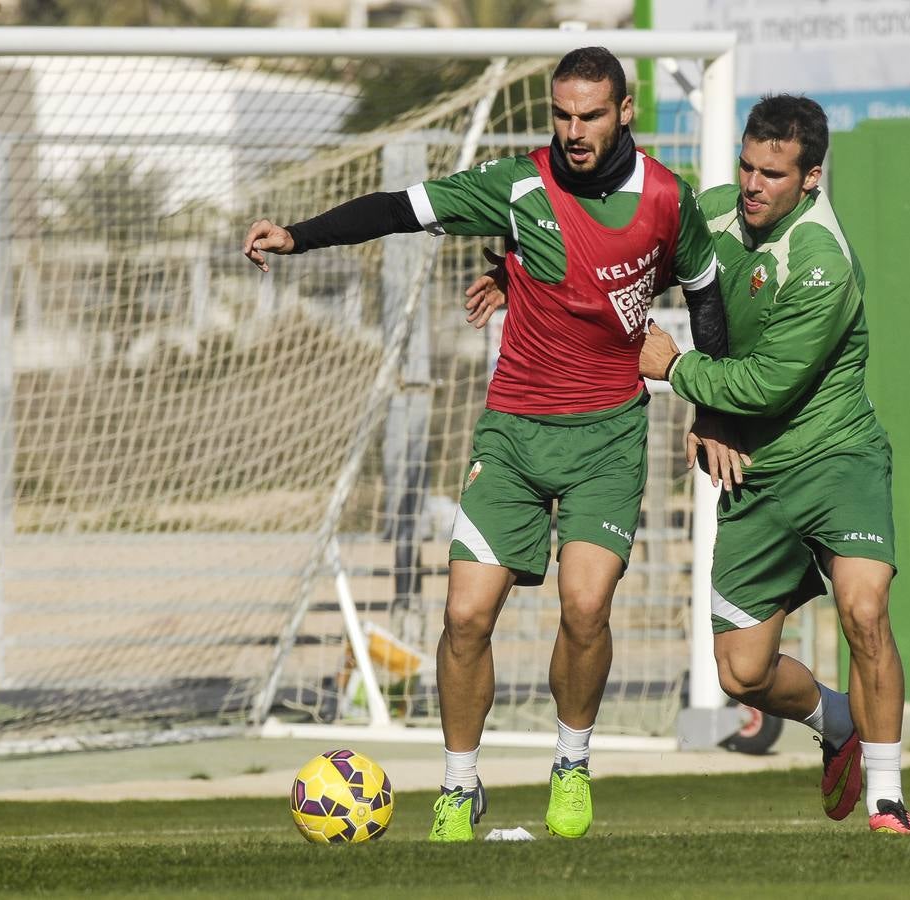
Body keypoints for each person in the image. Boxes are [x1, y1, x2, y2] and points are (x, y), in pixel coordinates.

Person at [243, 46, 731, 842]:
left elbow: (701, 287)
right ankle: (459, 787)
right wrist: (298, 236)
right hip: (512, 433)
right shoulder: (517, 185)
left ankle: (571, 764)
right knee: (465, 616)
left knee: (585, 608)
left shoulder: (668, 199)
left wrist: (711, 406)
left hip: (609, 435)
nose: (574, 132)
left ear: (624, 112)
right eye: (562, 115)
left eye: (591, 116)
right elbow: (399, 207)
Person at [637, 94, 910, 834]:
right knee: (743, 674)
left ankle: (887, 795)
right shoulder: (719, 214)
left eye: (774, 173)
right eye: (747, 166)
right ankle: (835, 719)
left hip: (836, 456)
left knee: (865, 608)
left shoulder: (822, 261)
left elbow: (768, 384)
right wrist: (517, 277)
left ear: (812, 178)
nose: (754, 185)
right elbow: (624, 260)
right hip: (754, 473)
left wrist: (678, 371)